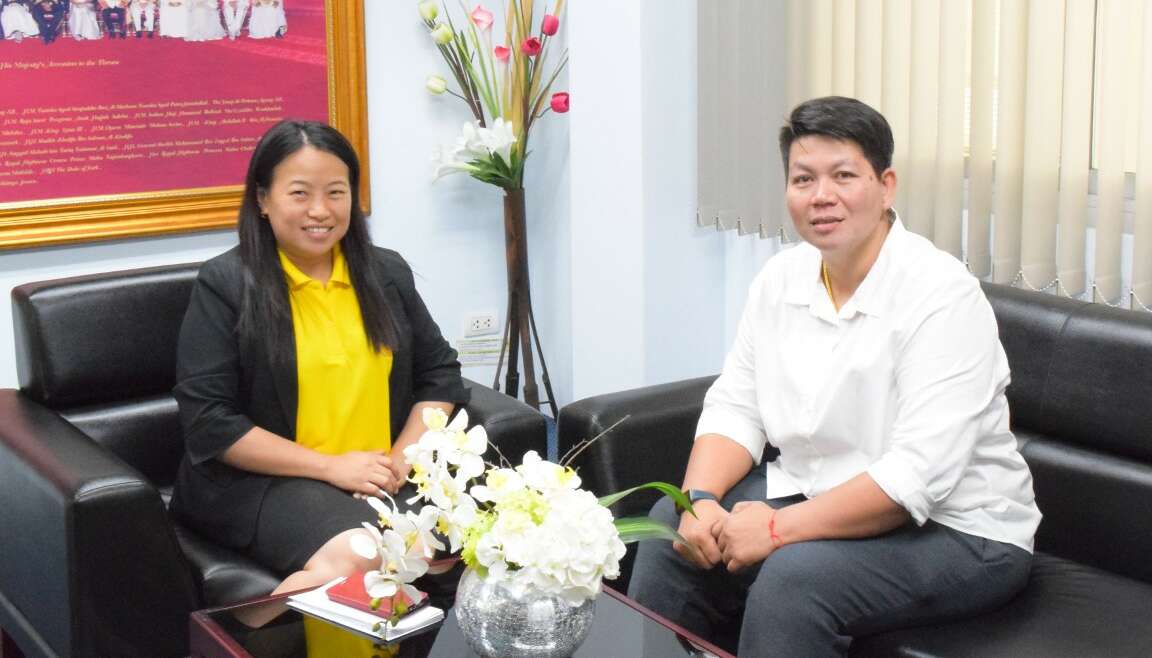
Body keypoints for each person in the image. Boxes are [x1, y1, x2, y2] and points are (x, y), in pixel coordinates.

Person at [628, 96, 1042, 658]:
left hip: (960, 530)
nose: (822, 195)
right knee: (668, 531)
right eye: (803, 179)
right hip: (818, 491)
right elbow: (737, 408)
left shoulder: (941, 295)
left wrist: (776, 530)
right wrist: (698, 499)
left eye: (843, 175)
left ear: (886, 185)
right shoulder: (780, 279)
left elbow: (913, 477)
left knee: (794, 580)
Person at [169, 120, 469, 621]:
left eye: (336, 192)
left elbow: (439, 373)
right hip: (264, 481)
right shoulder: (226, 284)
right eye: (299, 193)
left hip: (378, 475)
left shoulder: (384, 272)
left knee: (462, 542)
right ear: (262, 199)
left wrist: (399, 459)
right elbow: (209, 421)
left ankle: (302, 596)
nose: (320, 211)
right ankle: (249, 626)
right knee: (371, 553)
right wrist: (331, 466)